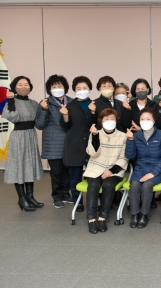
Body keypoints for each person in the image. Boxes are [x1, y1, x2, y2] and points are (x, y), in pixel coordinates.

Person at [2, 76, 45, 211]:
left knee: (29, 166)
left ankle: (30, 197)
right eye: (20, 84)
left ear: (30, 87)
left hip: (31, 135)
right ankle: (22, 199)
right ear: (14, 87)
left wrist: (44, 110)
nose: (24, 86)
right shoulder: (11, 101)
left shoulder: (34, 103)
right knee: (19, 166)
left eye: (26, 84)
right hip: (18, 137)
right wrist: (10, 100)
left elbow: (39, 124)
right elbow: (12, 117)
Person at [84, 109, 128, 234]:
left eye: (112, 119)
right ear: (101, 121)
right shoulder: (95, 133)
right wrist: (95, 136)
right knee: (93, 185)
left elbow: (124, 157)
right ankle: (91, 219)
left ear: (117, 121)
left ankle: (103, 217)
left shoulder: (123, 136)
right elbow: (92, 153)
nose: (109, 121)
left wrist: (111, 170)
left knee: (108, 185)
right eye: (106, 119)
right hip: (96, 168)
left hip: (114, 170)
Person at [125, 108, 161, 229]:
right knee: (134, 185)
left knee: (147, 185)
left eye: (148, 119)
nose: (145, 121)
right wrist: (130, 140)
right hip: (141, 169)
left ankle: (144, 214)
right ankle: (135, 214)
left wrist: (153, 173)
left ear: (154, 121)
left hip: (159, 170)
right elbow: (130, 156)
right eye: (142, 119)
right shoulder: (136, 136)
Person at [35, 74, 72, 208]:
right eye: (54, 86)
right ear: (49, 89)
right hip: (53, 144)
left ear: (65, 87)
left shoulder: (71, 102)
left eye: (59, 85)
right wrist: (44, 110)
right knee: (56, 172)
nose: (57, 88)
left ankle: (66, 194)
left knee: (68, 171)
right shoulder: (45, 103)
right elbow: (39, 124)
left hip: (69, 143)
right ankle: (57, 196)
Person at [60, 76, 93, 212]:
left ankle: (93, 202)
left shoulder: (94, 104)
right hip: (74, 145)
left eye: (85, 88)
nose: (82, 90)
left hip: (92, 145)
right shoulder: (69, 106)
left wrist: (93, 112)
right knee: (75, 177)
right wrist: (65, 116)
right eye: (79, 88)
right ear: (74, 90)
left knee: (93, 177)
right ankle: (77, 201)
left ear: (90, 89)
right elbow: (65, 126)